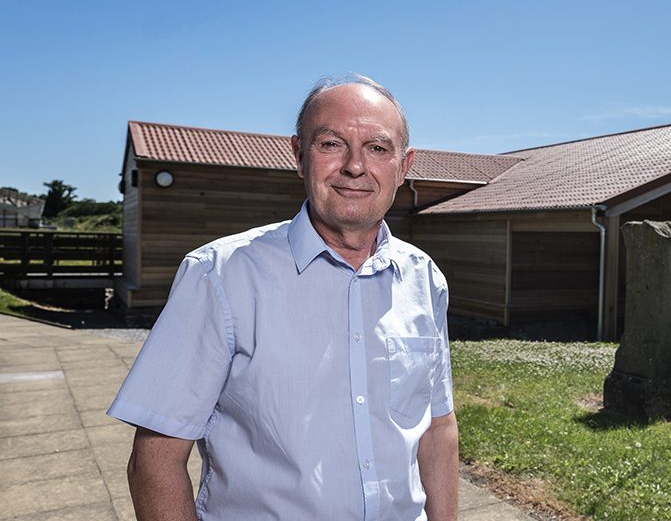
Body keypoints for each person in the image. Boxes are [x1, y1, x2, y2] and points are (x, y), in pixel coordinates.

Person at [108, 74, 459, 520]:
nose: (355, 166)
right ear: (297, 155)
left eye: (377, 148)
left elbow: (437, 427)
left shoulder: (425, 279)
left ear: (404, 165)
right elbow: (155, 457)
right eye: (331, 144)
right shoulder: (220, 275)